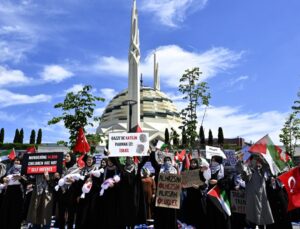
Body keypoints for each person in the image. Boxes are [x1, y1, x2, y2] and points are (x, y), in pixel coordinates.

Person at [150, 150, 178, 229]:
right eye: (165, 160)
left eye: (169, 160)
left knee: (170, 213)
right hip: (161, 194)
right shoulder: (159, 168)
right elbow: (153, 161)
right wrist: (153, 152)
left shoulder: (175, 170)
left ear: (171, 161)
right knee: (160, 212)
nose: (167, 162)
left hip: (171, 195)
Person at [244, 155, 274, 228]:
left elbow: (268, 166)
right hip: (252, 196)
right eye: (255, 160)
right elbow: (245, 176)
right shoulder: (248, 169)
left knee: (263, 215)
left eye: (258, 160)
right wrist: (251, 167)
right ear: (251, 161)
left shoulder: (262, 169)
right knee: (253, 216)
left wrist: (262, 160)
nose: (257, 161)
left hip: (262, 195)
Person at [0, 157, 26, 229]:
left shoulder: (23, 170)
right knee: (7, 210)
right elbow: (3, 178)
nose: (17, 162)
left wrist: (20, 178)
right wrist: (4, 179)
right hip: (9, 192)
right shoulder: (9, 169)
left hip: (18, 191)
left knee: (16, 211)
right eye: (15, 161)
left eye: (18, 161)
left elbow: (27, 181)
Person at [75, 154, 100, 229]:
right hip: (83, 196)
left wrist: (92, 181)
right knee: (82, 214)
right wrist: (78, 195)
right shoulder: (82, 170)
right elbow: (78, 184)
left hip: (92, 196)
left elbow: (99, 184)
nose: (89, 161)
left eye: (91, 159)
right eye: (88, 160)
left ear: (93, 161)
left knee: (91, 214)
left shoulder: (97, 170)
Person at [56, 152, 80, 229]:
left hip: (72, 194)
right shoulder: (62, 168)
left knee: (71, 214)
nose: (65, 157)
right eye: (65, 156)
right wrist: (57, 177)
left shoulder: (77, 169)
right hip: (62, 193)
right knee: (61, 214)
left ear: (72, 158)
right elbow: (59, 180)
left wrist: (73, 181)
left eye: (67, 156)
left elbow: (79, 182)